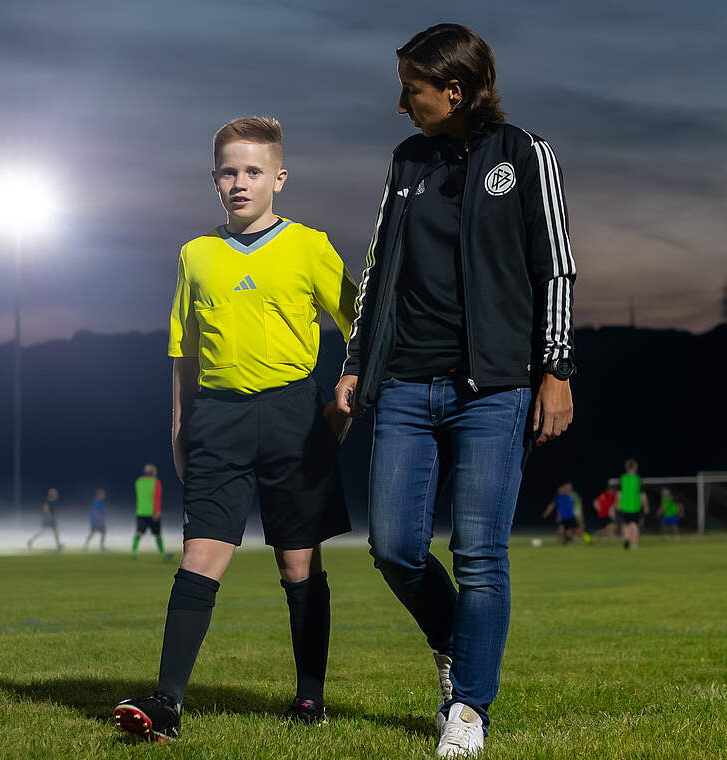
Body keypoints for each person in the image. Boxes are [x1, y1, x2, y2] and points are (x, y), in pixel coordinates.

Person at [333, 24, 576, 758]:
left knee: (479, 555)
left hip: (494, 389)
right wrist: (355, 364)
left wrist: (556, 368)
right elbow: (379, 272)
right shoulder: (406, 161)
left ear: (456, 91)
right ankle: (454, 643)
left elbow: (555, 268)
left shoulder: (525, 156)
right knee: (394, 546)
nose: (402, 105)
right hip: (406, 382)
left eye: (413, 89)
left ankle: (468, 709)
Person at [112, 116, 359, 742]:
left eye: (253, 171)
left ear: (279, 176)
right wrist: (179, 426)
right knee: (201, 555)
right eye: (228, 171)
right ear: (214, 179)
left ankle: (309, 699)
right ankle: (166, 704)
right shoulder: (195, 256)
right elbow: (184, 351)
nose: (240, 182)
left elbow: (362, 325)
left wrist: (344, 396)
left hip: (294, 418)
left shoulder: (309, 245)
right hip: (216, 419)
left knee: (297, 565)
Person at [132, 465, 168, 559]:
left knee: (139, 532)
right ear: (153, 472)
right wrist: (156, 512)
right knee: (158, 534)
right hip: (152, 513)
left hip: (140, 511)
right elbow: (157, 498)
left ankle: (134, 553)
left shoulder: (139, 482)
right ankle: (163, 555)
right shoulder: (156, 482)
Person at [616, 459, 648, 550]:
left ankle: (626, 538)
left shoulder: (622, 478)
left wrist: (618, 503)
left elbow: (619, 493)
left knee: (626, 524)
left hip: (624, 505)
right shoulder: (638, 479)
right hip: (635, 505)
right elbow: (642, 494)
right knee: (634, 525)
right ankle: (633, 544)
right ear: (635, 467)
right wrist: (645, 505)